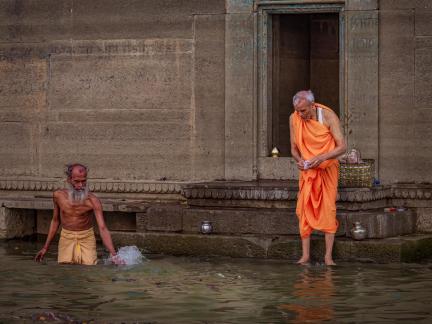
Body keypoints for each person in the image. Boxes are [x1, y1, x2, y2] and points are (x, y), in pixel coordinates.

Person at [289, 90, 346, 265]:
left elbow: (342, 147)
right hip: (308, 171)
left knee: (328, 209)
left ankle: (328, 256)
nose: (300, 115)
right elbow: (294, 148)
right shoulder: (294, 118)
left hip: (327, 169)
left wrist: (321, 158)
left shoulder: (328, 116)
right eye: (298, 111)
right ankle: (305, 256)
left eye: (304, 111)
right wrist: (299, 161)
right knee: (304, 210)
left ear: (312, 106)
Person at [35, 163, 122, 265]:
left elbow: (102, 228)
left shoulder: (93, 201)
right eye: (76, 181)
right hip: (66, 238)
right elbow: (55, 221)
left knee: (89, 270)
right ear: (69, 180)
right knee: (65, 270)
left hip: (86, 238)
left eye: (83, 181)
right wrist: (45, 248)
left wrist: (114, 254)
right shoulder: (58, 196)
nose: (80, 185)